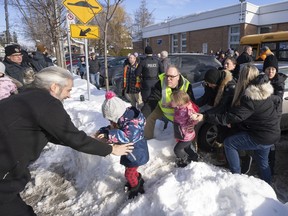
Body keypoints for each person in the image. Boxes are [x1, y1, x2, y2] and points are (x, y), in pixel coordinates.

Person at [0, 66, 134, 215]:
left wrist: (87, 139)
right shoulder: (48, 103)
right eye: (68, 90)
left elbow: (57, 133)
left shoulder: (29, 96)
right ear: (54, 87)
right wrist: (112, 149)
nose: (69, 95)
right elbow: (71, 137)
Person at [198, 64, 280, 184]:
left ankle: (235, 177)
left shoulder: (250, 97)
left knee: (229, 143)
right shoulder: (263, 90)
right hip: (271, 133)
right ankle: (268, 186)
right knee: (263, 163)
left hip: (261, 135)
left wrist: (205, 117)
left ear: (243, 78)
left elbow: (233, 117)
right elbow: (273, 103)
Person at [95, 91, 149, 199]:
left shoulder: (131, 124)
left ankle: (136, 188)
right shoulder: (125, 117)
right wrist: (104, 131)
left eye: (110, 119)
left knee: (128, 174)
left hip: (136, 152)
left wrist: (108, 134)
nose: (110, 122)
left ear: (115, 115)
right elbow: (115, 128)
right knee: (130, 170)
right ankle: (137, 179)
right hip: (130, 151)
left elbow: (125, 136)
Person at [142, 65, 196, 139]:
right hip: (162, 107)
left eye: (171, 77)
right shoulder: (160, 83)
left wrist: (193, 119)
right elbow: (152, 100)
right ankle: (148, 139)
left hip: (180, 112)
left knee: (189, 128)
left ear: (178, 77)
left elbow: (192, 104)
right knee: (149, 117)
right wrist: (142, 115)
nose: (168, 79)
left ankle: (189, 145)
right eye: (166, 76)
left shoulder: (186, 85)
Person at [263, 55, 287, 175]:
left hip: (274, 118)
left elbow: (278, 98)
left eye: (273, 69)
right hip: (264, 116)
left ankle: (271, 169)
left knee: (271, 143)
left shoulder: (279, 82)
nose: (271, 71)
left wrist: (263, 94)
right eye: (268, 69)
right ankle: (264, 166)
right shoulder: (263, 79)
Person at [170, 90, 200, 167]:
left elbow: (195, 119)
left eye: (172, 100)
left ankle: (185, 160)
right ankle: (195, 157)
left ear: (179, 102)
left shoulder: (188, 110)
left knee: (177, 149)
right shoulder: (179, 106)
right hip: (183, 133)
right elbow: (173, 105)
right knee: (187, 148)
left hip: (186, 135)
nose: (171, 102)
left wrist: (194, 119)